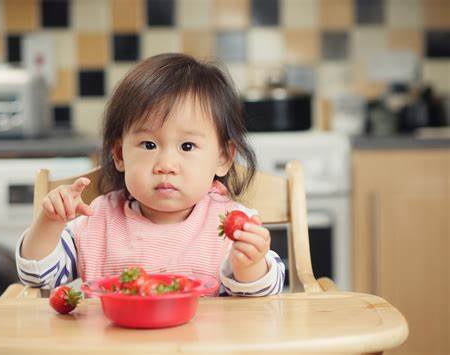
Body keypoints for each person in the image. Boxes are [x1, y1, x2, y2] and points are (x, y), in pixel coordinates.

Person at [16, 53, 285, 296]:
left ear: (223, 158)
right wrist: (49, 222)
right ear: (120, 155)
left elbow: (264, 295)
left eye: (187, 146)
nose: (166, 164)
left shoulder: (232, 226)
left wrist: (249, 265)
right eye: (149, 145)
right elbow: (39, 278)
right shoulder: (97, 220)